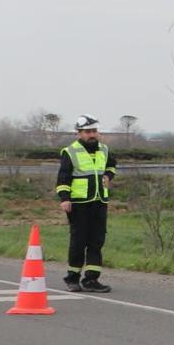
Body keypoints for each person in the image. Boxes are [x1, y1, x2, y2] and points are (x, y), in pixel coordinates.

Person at [54, 115, 117, 291]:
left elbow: (112, 166)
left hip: (99, 201)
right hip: (78, 203)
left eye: (94, 131)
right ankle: (72, 278)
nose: (92, 134)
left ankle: (91, 280)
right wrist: (65, 198)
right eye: (88, 131)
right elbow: (63, 177)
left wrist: (108, 176)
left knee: (97, 241)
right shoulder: (70, 151)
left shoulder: (104, 149)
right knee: (78, 241)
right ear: (79, 133)